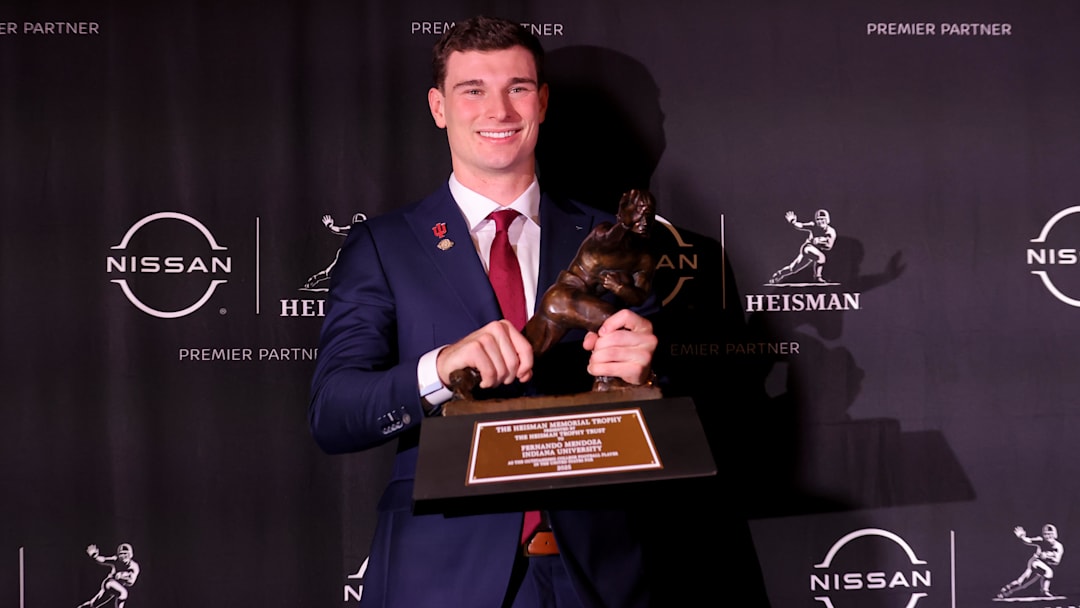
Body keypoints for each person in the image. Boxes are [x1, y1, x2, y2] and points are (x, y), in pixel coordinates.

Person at [309, 15, 657, 608]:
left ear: (542, 102)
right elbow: (334, 413)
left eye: (517, 88)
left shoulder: (606, 239)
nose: (498, 110)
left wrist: (646, 376)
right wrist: (439, 370)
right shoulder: (384, 247)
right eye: (473, 90)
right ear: (439, 107)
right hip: (442, 578)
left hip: (599, 575)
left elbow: (667, 420)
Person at [769, 209, 836, 284]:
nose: (820, 221)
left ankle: (779, 274)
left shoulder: (831, 232)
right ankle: (817, 277)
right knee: (821, 257)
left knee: (793, 269)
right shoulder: (813, 225)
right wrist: (793, 222)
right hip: (808, 248)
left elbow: (829, 246)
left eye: (822, 219)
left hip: (816, 250)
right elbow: (801, 225)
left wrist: (820, 242)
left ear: (827, 220)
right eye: (818, 219)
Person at [998, 524, 1064, 599]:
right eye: (1045, 534)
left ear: (1055, 534)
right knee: (1048, 572)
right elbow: (1029, 540)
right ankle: (1044, 591)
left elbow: (1057, 561)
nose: (1048, 536)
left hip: (1043, 567)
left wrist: (1047, 557)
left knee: (1023, 584)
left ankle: (1007, 590)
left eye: (1050, 534)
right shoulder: (1041, 540)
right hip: (1035, 563)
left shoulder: (1058, 546)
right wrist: (1022, 537)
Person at [78, 543, 139, 608]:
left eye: (125, 553)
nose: (123, 556)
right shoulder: (116, 560)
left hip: (115, 587)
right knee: (124, 593)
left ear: (130, 554)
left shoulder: (134, 567)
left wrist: (122, 576)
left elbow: (131, 582)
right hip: (110, 583)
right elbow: (104, 559)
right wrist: (95, 556)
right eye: (121, 554)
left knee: (93, 604)